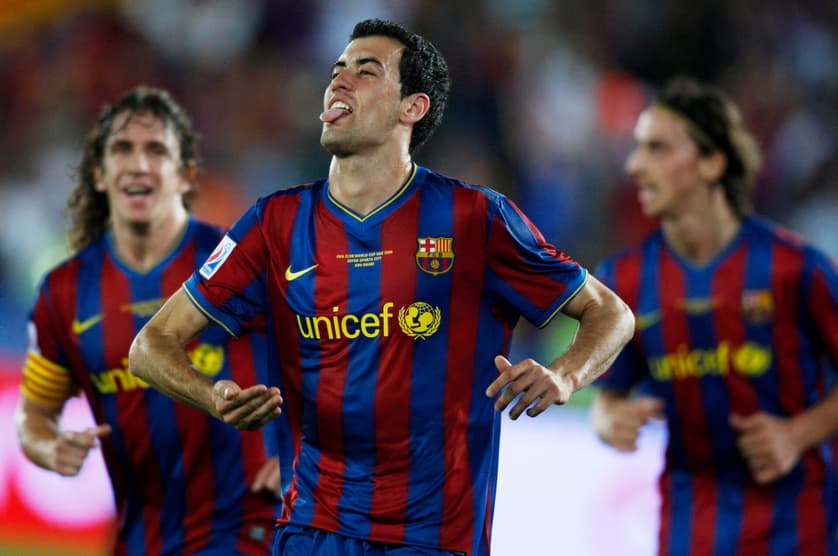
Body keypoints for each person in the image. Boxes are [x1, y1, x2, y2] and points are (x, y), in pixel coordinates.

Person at [129, 19, 634, 556]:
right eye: (337, 70)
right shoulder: (273, 225)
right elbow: (149, 346)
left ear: (411, 107)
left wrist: (564, 374)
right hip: (311, 533)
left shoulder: (473, 218)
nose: (339, 82)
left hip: (435, 540)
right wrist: (212, 396)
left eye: (365, 71)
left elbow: (611, 313)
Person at [15, 86, 285, 555]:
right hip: (138, 536)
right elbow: (34, 415)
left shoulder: (241, 262)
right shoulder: (64, 292)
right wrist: (48, 447)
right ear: (99, 174)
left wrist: (303, 453)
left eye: (156, 150)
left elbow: (334, 356)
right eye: (122, 149)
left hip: (246, 526)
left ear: (186, 175)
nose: (138, 163)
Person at [591, 77, 838, 555]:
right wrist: (608, 419)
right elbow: (608, 397)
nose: (635, 166)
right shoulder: (624, 280)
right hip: (689, 530)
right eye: (638, 148)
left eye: (657, 149)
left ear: (712, 162)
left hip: (798, 526)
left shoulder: (794, 268)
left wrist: (796, 434)